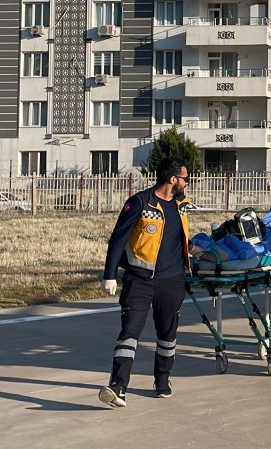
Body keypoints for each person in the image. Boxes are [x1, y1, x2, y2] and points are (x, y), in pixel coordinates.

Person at [98, 158, 194, 408]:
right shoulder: (140, 203)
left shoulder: (182, 205)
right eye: (185, 178)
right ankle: (118, 386)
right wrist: (109, 275)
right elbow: (118, 238)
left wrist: (194, 250)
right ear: (173, 179)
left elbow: (177, 238)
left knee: (167, 336)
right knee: (129, 334)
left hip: (172, 281)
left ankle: (162, 382)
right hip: (139, 281)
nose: (186, 182)